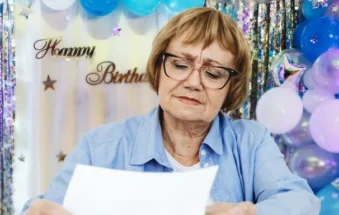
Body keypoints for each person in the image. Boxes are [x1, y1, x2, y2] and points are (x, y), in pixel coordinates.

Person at [22, 7, 321, 215]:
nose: (193, 82)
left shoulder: (250, 142)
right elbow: (45, 207)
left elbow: (301, 201)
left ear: (231, 87)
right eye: (179, 64)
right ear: (158, 67)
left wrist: (250, 212)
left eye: (214, 73)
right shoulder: (100, 147)